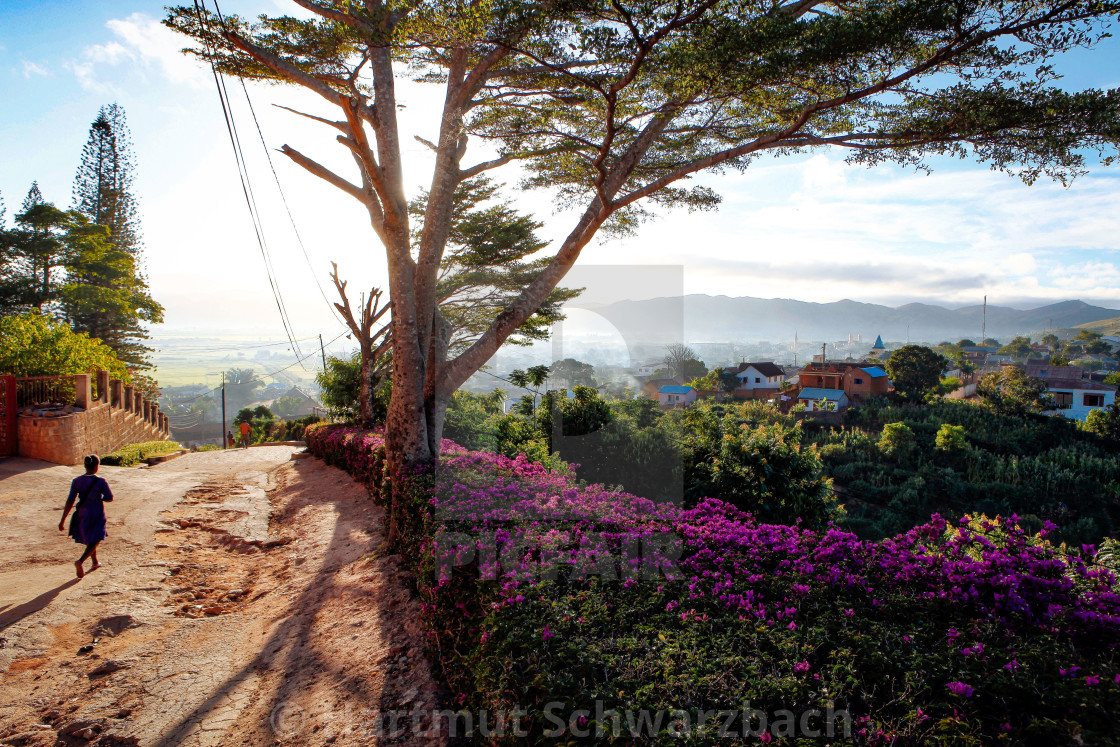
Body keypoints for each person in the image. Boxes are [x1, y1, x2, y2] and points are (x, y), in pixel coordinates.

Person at [59, 455, 114, 579]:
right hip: (97, 513)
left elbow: (70, 500)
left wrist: (62, 520)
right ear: (96, 466)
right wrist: (100, 498)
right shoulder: (101, 481)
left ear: (85, 466)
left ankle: (95, 562)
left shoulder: (77, 481)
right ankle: (80, 561)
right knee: (97, 538)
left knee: (90, 538)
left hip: (82, 513)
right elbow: (109, 497)